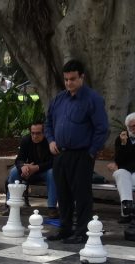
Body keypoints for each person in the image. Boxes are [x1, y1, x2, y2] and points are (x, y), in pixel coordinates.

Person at [44, 59, 108, 244]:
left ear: (82, 77)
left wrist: (91, 152)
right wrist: (50, 140)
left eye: (72, 79)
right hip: (60, 153)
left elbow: (102, 128)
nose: (69, 83)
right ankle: (65, 228)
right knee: (62, 194)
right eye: (66, 79)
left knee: (81, 195)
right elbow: (48, 123)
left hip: (82, 153)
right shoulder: (59, 99)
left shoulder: (93, 99)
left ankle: (82, 231)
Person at [3, 120, 54, 218]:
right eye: (33, 133)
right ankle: (11, 205)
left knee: (52, 173)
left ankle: (52, 208)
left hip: (44, 171)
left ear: (44, 133)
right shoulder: (26, 140)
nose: (35, 136)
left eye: (38, 133)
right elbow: (19, 159)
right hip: (28, 171)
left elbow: (53, 162)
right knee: (13, 172)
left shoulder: (50, 142)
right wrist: (23, 166)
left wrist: (37, 167)